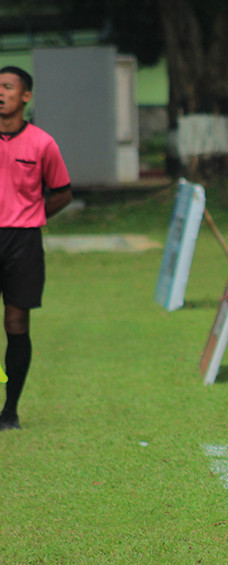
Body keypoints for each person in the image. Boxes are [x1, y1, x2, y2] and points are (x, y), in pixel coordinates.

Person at [0, 66, 73, 430]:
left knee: (16, 322)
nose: (0, 92)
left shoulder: (42, 143)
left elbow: (63, 192)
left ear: (25, 96)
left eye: (7, 87)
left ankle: (10, 409)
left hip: (23, 240)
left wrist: (33, 214)